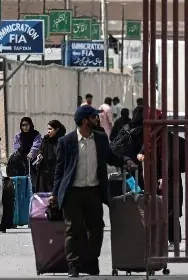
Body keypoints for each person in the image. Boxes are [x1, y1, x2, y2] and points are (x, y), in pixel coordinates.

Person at [52, 105, 135, 277]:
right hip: (73, 192)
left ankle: (91, 262)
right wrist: (54, 194)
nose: (97, 120)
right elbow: (59, 171)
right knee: (73, 229)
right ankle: (73, 265)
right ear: (84, 120)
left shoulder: (100, 138)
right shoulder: (66, 142)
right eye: (93, 117)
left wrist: (125, 161)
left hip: (94, 191)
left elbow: (110, 157)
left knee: (96, 228)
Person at [33, 120, 66, 193]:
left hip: (56, 174)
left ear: (57, 130)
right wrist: (39, 155)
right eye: (48, 129)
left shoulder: (62, 141)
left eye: (50, 129)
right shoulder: (46, 140)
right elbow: (41, 150)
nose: (48, 131)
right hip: (44, 175)